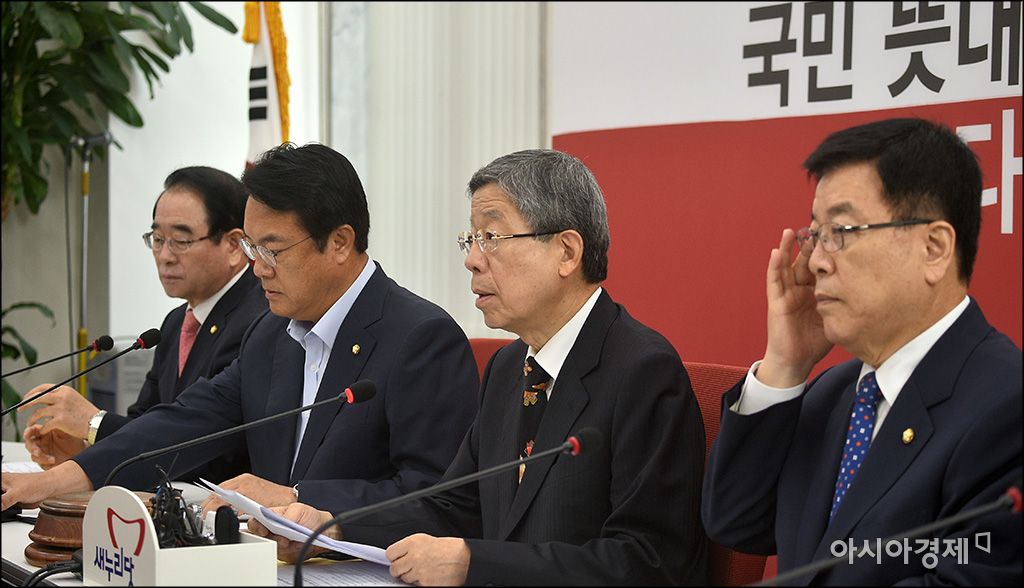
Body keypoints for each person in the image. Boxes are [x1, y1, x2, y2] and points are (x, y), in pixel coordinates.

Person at [250, 149, 709, 585]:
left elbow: (647, 561)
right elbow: (453, 507)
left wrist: (475, 563)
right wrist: (332, 527)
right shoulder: (509, 367)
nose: (472, 260)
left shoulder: (642, 372)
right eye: (470, 240)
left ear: (567, 252)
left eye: (491, 238)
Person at [2, 143, 480, 517]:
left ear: (339, 242)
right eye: (252, 248)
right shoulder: (270, 335)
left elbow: (437, 497)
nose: (257, 268)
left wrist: (298, 499)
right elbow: (183, 425)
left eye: (272, 250)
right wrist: (45, 484)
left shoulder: (420, 338)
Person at [702, 118, 1022, 585]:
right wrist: (785, 365)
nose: (815, 262)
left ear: (934, 248)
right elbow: (736, 521)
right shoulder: (833, 393)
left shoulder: (1006, 407)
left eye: (842, 231)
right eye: (816, 234)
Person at [18, 166, 265, 484]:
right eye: (158, 239)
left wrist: (93, 422)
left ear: (233, 245)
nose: (165, 256)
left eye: (181, 240)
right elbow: (144, 420)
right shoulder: (175, 323)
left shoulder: (258, 320)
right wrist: (82, 449)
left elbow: (212, 452)